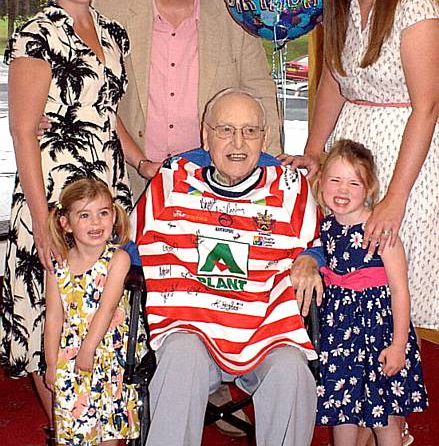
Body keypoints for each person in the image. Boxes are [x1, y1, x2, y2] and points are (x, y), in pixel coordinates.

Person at [0, 0, 148, 437]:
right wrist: (43, 223)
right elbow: (22, 128)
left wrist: (141, 161)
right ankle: (65, 427)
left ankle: (99, 424)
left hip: (105, 191)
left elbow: (105, 113)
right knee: (51, 316)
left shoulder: (112, 33)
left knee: (102, 312)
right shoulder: (36, 34)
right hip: (54, 195)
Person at [133, 88, 323, 446]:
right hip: (191, 326)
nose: (239, 142)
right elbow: (129, 244)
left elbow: (317, 243)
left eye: (250, 131)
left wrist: (312, 259)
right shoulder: (172, 182)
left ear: (264, 138)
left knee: (292, 371)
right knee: (180, 357)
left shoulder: (289, 187)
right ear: (206, 135)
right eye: (225, 130)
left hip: (265, 331)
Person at [291, 0, 439, 331]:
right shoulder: (342, 4)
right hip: (351, 152)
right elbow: (334, 82)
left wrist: (395, 198)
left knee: (395, 277)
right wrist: (315, 150)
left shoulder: (416, 7)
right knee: (347, 275)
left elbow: (427, 107)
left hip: (404, 157)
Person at [94, 0, 281, 202]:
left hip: (213, 186)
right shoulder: (108, 11)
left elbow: (261, 95)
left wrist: (272, 172)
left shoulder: (235, 13)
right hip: (128, 182)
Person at [315, 139, 427, 446]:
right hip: (340, 334)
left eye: (354, 182)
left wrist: (399, 345)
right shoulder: (325, 228)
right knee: (342, 408)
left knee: (384, 411)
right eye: (335, 179)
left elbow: (400, 291)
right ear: (322, 181)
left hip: (378, 334)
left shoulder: (381, 229)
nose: (342, 189)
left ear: (369, 189)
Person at [45, 177, 139, 445]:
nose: (96, 223)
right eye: (85, 215)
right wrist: (52, 363)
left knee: (107, 429)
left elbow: (107, 309)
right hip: (70, 356)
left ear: (113, 216)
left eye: (103, 213)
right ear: (66, 223)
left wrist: (88, 349)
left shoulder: (117, 259)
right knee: (71, 428)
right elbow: (53, 316)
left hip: (107, 355)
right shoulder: (58, 265)